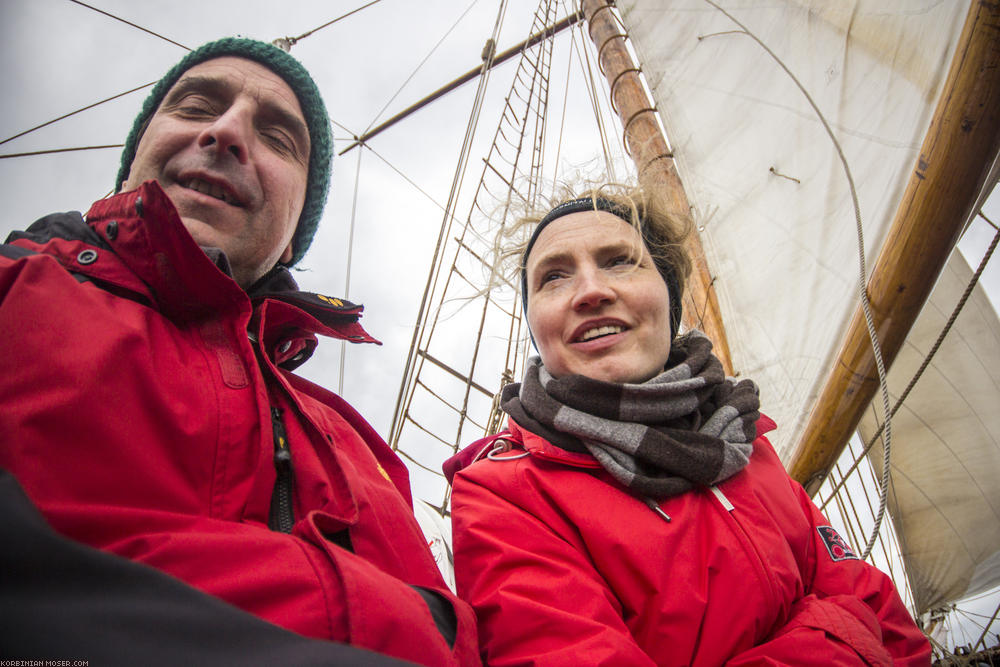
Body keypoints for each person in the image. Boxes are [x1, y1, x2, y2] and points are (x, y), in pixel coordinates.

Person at [0, 38, 478, 666]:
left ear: (292, 238)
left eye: (278, 139)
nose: (227, 133)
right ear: (133, 163)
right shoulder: (13, 290)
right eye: (197, 105)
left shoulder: (356, 443)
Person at [445, 184, 931, 666]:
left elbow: (895, 634)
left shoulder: (744, 440)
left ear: (669, 299)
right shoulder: (503, 492)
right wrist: (838, 637)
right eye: (553, 276)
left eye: (619, 260)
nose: (591, 291)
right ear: (535, 323)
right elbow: (865, 630)